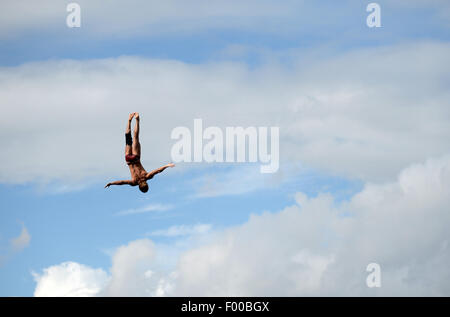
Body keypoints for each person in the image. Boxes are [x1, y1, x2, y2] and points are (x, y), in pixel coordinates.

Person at [105, 112, 174, 193]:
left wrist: (167, 165)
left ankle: (137, 120)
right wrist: (111, 183)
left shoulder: (147, 176)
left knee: (136, 137)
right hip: (128, 160)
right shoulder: (134, 182)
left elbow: (158, 171)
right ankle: (129, 120)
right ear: (139, 187)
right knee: (128, 138)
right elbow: (122, 182)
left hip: (136, 157)